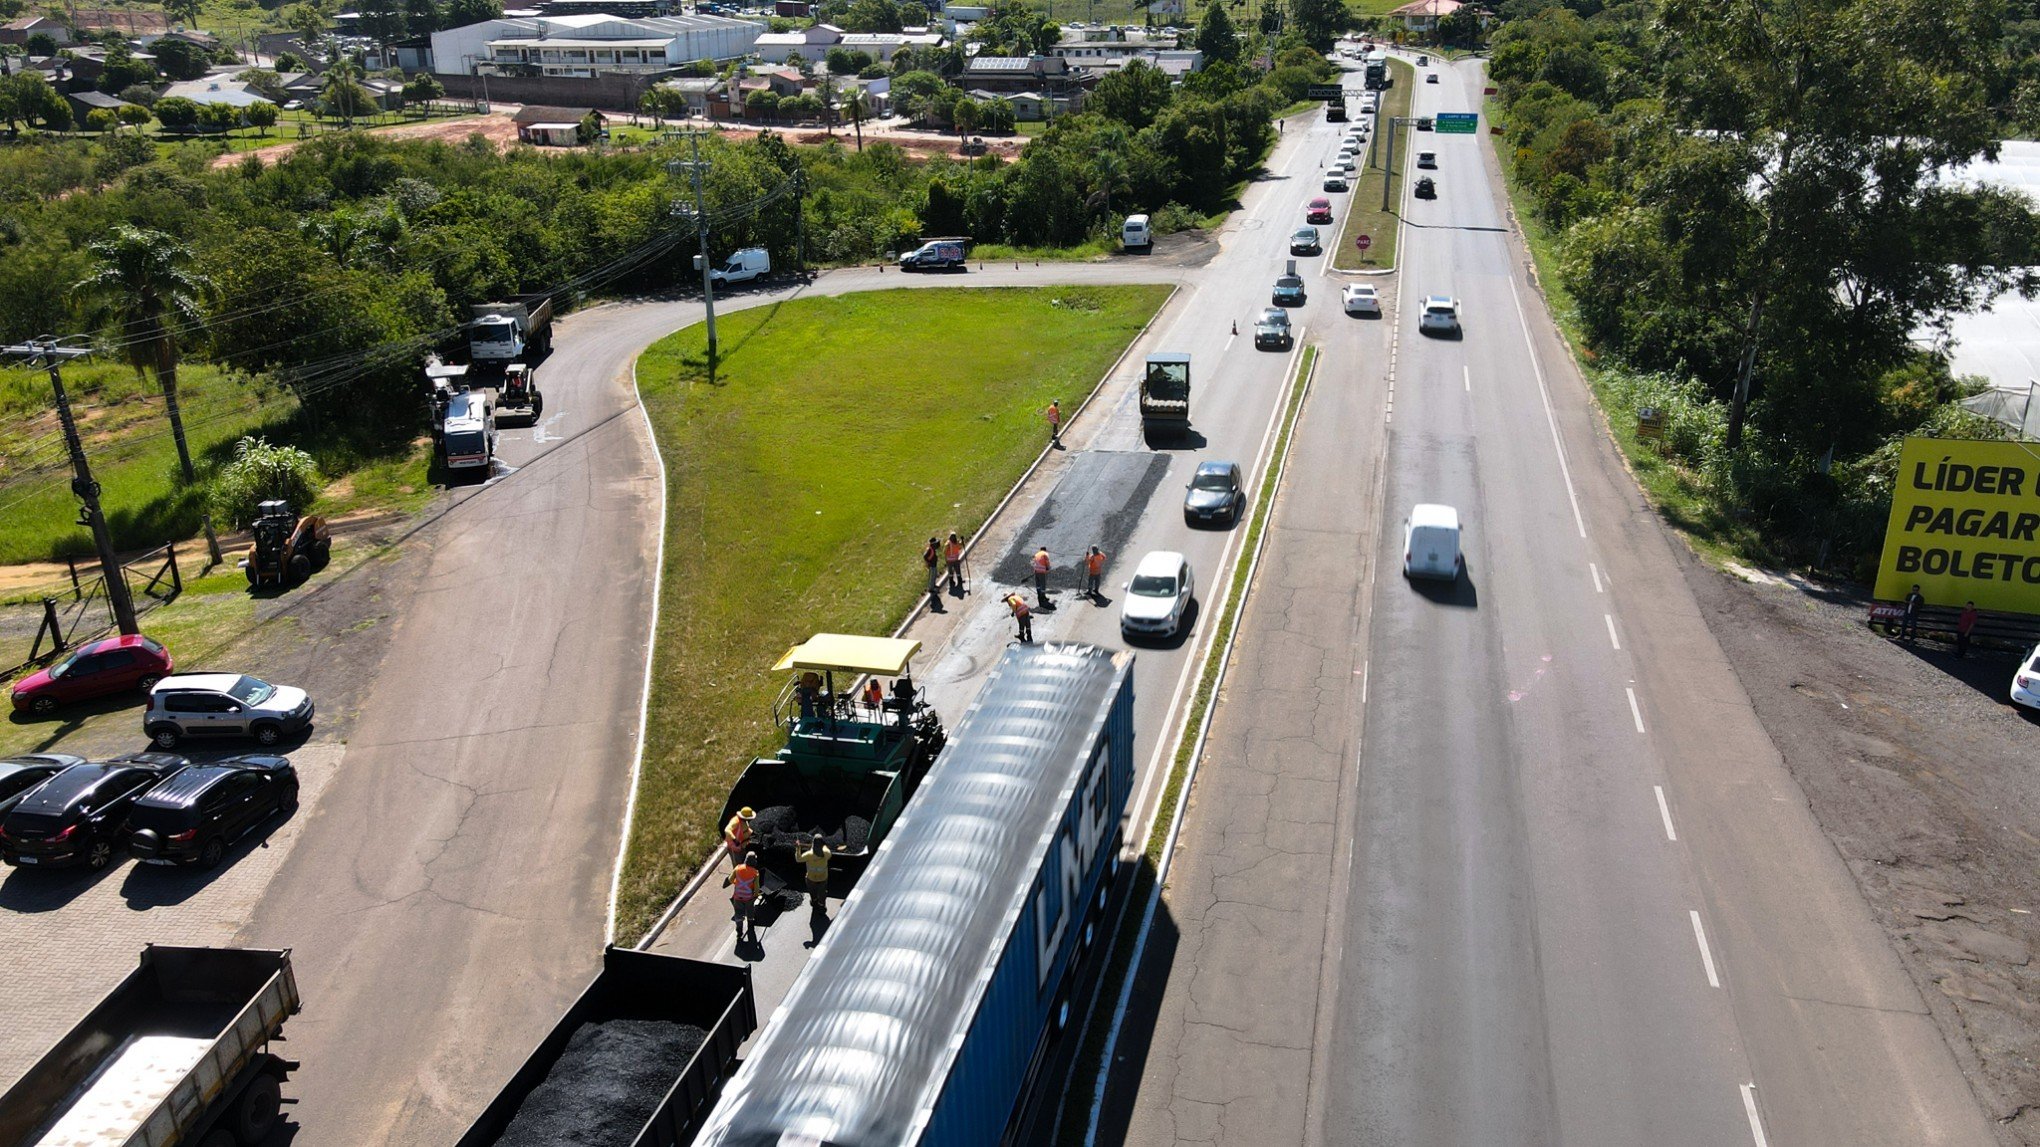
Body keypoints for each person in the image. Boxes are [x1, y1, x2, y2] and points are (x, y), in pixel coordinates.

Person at [797, 833, 832, 916]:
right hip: (823, 878)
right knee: (822, 893)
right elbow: (825, 848)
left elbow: (798, 859)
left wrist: (798, 848)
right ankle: (821, 906)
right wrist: (823, 845)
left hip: (811, 878)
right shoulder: (827, 853)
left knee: (812, 891)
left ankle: (814, 901)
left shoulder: (809, 855)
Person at [730, 852, 762, 941]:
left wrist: (737, 883)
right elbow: (756, 888)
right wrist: (756, 895)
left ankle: (739, 932)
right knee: (750, 912)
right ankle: (750, 927)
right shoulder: (755, 873)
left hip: (737, 897)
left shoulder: (737, 868)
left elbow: (730, 879)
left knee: (738, 914)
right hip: (748, 898)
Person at [723, 807, 754, 875]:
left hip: (742, 844)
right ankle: (738, 876)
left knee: (743, 858)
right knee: (738, 863)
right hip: (735, 847)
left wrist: (751, 833)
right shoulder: (735, 821)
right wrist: (734, 839)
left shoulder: (744, 821)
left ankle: (743, 872)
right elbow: (727, 830)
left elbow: (745, 829)